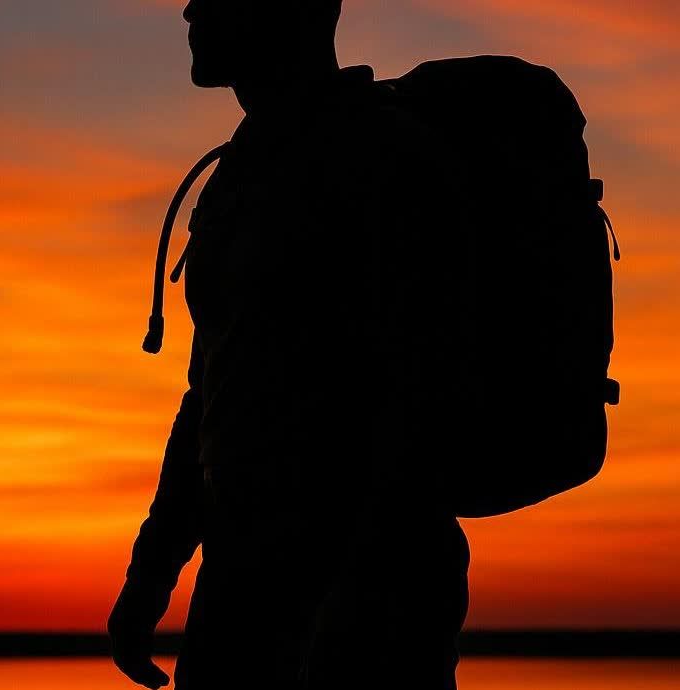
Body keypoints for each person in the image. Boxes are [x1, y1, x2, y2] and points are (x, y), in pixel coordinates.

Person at [109, 1, 473, 688]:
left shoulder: (387, 161)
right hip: (244, 588)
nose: (190, 8)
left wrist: (350, 611)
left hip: (369, 604)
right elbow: (210, 393)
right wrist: (151, 577)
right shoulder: (240, 177)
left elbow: (420, 398)